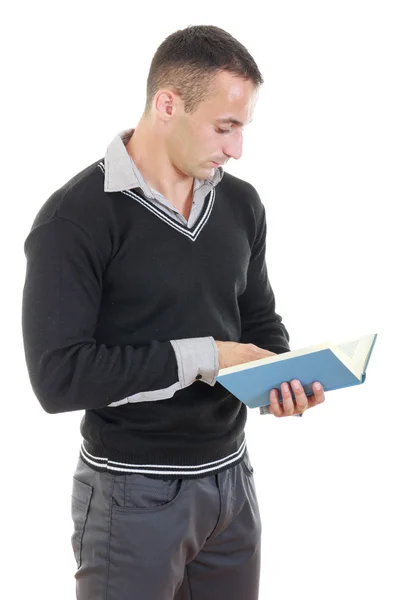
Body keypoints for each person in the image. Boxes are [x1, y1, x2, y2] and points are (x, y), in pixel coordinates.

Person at [22, 24, 325, 600]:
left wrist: (278, 378)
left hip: (233, 485)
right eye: (225, 127)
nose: (237, 148)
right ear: (167, 105)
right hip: (131, 497)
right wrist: (207, 357)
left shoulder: (241, 203)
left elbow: (258, 322)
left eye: (243, 128)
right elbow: (58, 378)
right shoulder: (75, 219)